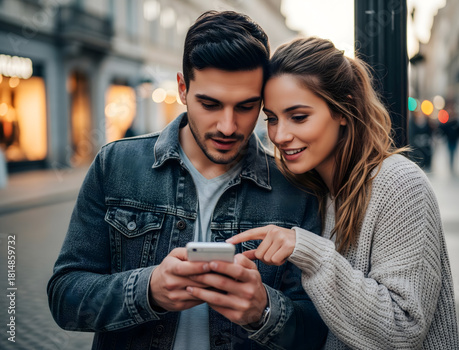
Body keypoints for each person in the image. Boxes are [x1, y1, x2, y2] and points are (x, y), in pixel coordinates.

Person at [47, 12, 327, 350]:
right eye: (210, 104)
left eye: (246, 106)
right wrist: (148, 290)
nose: (227, 125)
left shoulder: (297, 188)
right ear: (182, 88)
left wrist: (265, 311)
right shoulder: (116, 165)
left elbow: (317, 331)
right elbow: (64, 297)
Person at [228, 37, 459, 349]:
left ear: (343, 109)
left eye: (298, 116)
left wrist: (309, 252)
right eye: (271, 119)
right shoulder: (309, 190)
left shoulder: (400, 184)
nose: (280, 135)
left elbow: (402, 329)